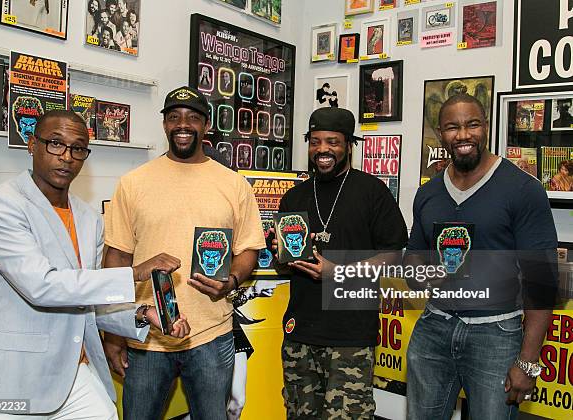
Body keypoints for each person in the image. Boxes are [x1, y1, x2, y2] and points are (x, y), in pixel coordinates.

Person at [0, 110, 190, 418]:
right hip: (10, 381)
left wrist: (142, 314)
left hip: (74, 374)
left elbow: (88, 300)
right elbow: (41, 286)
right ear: (32, 145)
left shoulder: (88, 218)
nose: (67, 157)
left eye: (78, 148)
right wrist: (133, 273)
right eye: (55, 144)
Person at [102, 86, 265, 420]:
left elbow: (248, 248)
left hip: (211, 333)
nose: (182, 124)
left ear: (206, 125)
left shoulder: (234, 184)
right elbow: (116, 259)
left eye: (192, 117)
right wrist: (114, 334)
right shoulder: (133, 183)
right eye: (173, 116)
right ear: (164, 124)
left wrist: (231, 280)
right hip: (146, 336)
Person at [405, 94, 558, 419]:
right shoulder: (428, 193)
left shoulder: (522, 190)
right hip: (433, 329)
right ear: (441, 134)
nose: (463, 135)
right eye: (452, 127)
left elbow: (542, 281)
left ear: (486, 127)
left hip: (496, 335)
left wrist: (528, 361)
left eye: (472, 124)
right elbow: (412, 267)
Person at [273, 107, 408, 419]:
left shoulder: (372, 192)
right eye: (315, 141)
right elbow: (284, 266)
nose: (322, 150)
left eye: (332, 141)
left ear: (349, 145)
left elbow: (394, 255)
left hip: (350, 336)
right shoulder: (295, 196)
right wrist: (284, 255)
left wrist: (337, 271)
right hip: (300, 334)